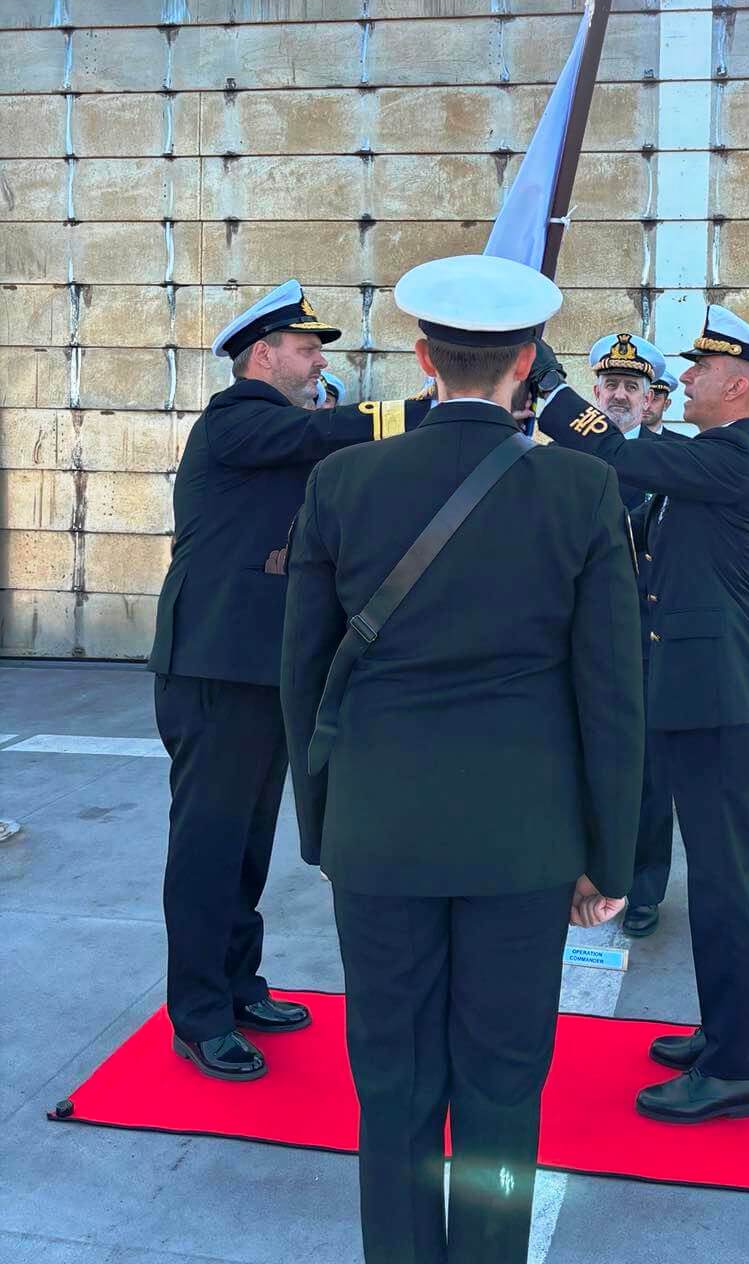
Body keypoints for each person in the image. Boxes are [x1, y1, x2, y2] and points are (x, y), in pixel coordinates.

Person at [281, 254, 643, 1264]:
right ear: (529, 362)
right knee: (499, 1088)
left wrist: (324, 826)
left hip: (379, 832)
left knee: (392, 1085)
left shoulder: (341, 479)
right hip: (521, 844)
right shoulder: (583, 488)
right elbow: (612, 696)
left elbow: (302, 680)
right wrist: (608, 859)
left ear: (421, 357)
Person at [534, 302, 749, 1125]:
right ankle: (724, 1035)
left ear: (739, 384)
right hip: (697, 693)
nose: (683, 379)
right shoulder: (713, 458)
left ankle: (736, 1068)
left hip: (718, 699)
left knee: (723, 883)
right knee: (720, 878)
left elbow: (615, 446)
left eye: (700, 371)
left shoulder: (735, 457)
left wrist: (544, 378)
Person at [149, 281, 412, 1082]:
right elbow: (333, 431)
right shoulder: (236, 420)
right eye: (307, 348)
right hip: (214, 667)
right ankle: (197, 1016)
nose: (320, 361)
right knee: (208, 845)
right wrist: (431, 409)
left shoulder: (281, 430)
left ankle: (236, 984)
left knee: (249, 839)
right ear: (262, 355)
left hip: (262, 670)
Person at [587, 332, 672, 940]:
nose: (619, 394)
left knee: (645, 776)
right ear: (594, 393)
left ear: (649, 402)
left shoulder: (671, 464)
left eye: (631, 387)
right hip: (576, 638)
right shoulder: (563, 460)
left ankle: (642, 888)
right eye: (610, 384)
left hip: (644, 639)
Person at [642, 369, 686, 440]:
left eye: (654, 399)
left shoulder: (683, 445)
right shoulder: (619, 441)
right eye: (643, 398)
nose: (646, 406)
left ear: (666, 404)